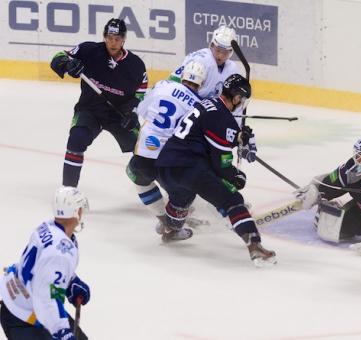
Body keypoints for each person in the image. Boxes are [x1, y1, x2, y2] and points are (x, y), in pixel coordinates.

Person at [154, 74, 275, 266]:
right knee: (232, 200)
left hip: (165, 166)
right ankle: (255, 246)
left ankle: (170, 229)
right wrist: (235, 176)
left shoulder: (208, 103)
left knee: (182, 199)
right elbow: (221, 164)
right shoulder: (222, 117)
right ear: (236, 98)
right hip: (189, 168)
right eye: (242, 100)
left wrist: (236, 138)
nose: (242, 103)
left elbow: (207, 134)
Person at [50, 18, 148, 187]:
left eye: (117, 39)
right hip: (90, 109)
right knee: (76, 140)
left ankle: (173, 194)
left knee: (146, 149)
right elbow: (58, 57)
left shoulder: (136, 65)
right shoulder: (89, 50)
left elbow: (141, 93)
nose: (113, 42)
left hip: (120, 114)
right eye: (109, 38)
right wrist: (68, 64)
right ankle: (68, 192)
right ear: (104, 36)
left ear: (124, 39)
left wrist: (133, 113)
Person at [125, 61, 207, 232]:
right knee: (185, 191)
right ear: (202, 83)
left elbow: (142, 110)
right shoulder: (199, 106)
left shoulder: (163, 85)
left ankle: (163, 218)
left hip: (144, 156)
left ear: (182, 77)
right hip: (171, 162)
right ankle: (174, 225)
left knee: (136, 175)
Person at [0, 187, 91, 339]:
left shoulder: (49, 227)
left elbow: (44, 268)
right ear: (76, 212)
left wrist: (70, 281)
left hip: (20, 299)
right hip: (22, 316)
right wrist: (61, 331)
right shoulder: (60, 251)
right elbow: (47, 298)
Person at [169, 25, 245, 125]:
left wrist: (236, 128)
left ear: (231, 51)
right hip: (186, 111)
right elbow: (174, 82)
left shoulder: (233, 70)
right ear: (212, 45)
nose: (220, 56)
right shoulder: (200, 60)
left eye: (225, 52)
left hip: (209, 115)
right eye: (218, 50)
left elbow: (235, 105)